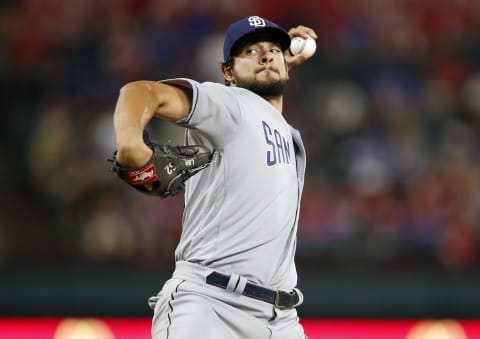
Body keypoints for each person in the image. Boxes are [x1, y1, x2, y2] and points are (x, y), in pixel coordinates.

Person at [113, 15, 317, 339]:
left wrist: (279, 61)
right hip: (211, 305)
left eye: (271, 50)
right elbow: (140, 92)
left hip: (280, 318)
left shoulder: (279, 125)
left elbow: (267, 92)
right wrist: (129, 144)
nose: (264, 55)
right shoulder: (229, 105)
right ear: (228, 73)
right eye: (249, 51)